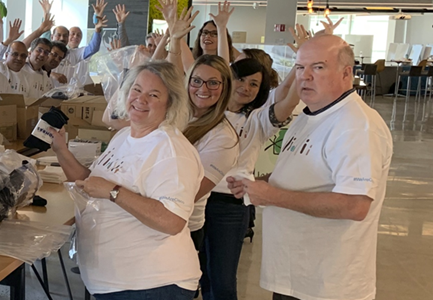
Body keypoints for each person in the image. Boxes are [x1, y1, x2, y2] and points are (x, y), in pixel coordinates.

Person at [228, 35, 392, 300]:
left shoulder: (356, 125)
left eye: (318, 67)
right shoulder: (310, 116)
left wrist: (271, 196)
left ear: (346, 72)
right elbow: (306, 176)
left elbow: (355, 205)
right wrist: (262, 184)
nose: (305, 76)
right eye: (300, 67)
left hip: (327, 285)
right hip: (295, 277)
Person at [50, 61, 202, 299]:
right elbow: (92, 185)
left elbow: (172, 220)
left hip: (151, 286)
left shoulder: (171, 150)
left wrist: (114, 191)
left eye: (153, 95)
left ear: (170, 103)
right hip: (114, 283)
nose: (141, 99)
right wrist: (61, 151)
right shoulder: (124, 136)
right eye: (136, 89)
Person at [200, 56, 298, 300]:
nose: (245, 87)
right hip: (195, 200)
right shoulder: (204, 112)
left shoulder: (257, 119)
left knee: (222, 279)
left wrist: (302, 66)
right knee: (200, 276)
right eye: (240, 79)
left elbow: (287, 100)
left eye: (254, 84)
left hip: (230, 205)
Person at [179, 56, 239, 256]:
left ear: (225, 87)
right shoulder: (175, 116)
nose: (203, 89)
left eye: (213, 83)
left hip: (182, 229)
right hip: (148, 220)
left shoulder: (224, 138)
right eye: (196, 81)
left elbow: (189, 194)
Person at [50, 0, 114, 87]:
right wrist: (52, 74)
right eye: (59, 35)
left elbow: (93, 48)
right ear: (52, 36)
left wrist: (97, 29)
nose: (62, 38)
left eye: (65, 36)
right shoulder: (45, 53)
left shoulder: (74, 54)